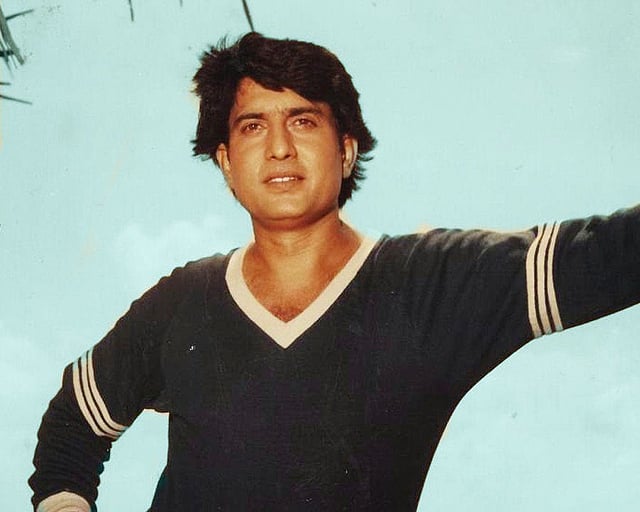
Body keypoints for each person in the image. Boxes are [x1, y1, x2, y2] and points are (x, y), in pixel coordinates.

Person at [29, 32, 640, 512]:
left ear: (346, 149)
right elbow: (73, 422)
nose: (279, 147)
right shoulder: (184, 300)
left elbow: (610, 253)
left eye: (303, 120)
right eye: (252, 126)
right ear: (226, 162)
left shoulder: (430, 284)